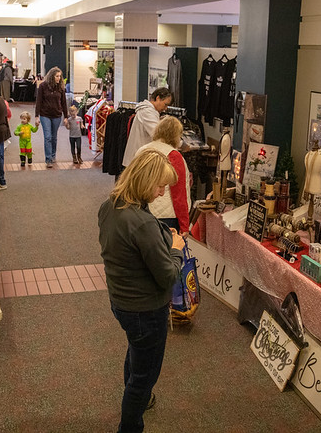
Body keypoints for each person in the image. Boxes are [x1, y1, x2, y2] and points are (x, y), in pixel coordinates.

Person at [98, 149, 185, 433]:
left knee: (137, 351)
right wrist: (175, 250)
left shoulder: (110, 205)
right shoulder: (143, 223)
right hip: (145, 309)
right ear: (145, 181)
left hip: (121, 300)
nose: (162, 193)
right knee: (144, 376)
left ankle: (137, 399)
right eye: (160, 186)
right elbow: (168, 277)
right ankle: (131, 424)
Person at [135, 117, 191, 233]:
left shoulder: (142, 150)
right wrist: (184, 225)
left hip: (140, 211)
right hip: (167, 216)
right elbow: (179, 194)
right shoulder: (174, 156)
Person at [121, 87, 173, 168]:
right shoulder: (147, 112)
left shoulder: (150, 111)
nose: (165, 109)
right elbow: (157, 134)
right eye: (165, 104)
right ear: (158, 98)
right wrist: (177, 143)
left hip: (141, 158)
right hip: (140, 159)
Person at [35, 67, 69, 168]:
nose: (59, 78)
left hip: (57, 115)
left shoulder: (61, 87)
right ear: (52, 76)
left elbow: (63, 103)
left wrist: (66, 117)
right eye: (57, 76)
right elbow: (38, 101)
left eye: (60, 76)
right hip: (45, 115)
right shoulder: (43, 86)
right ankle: (48, 159)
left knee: (54, 137)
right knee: (48, 137)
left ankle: (53, 155)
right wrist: (37, 116)